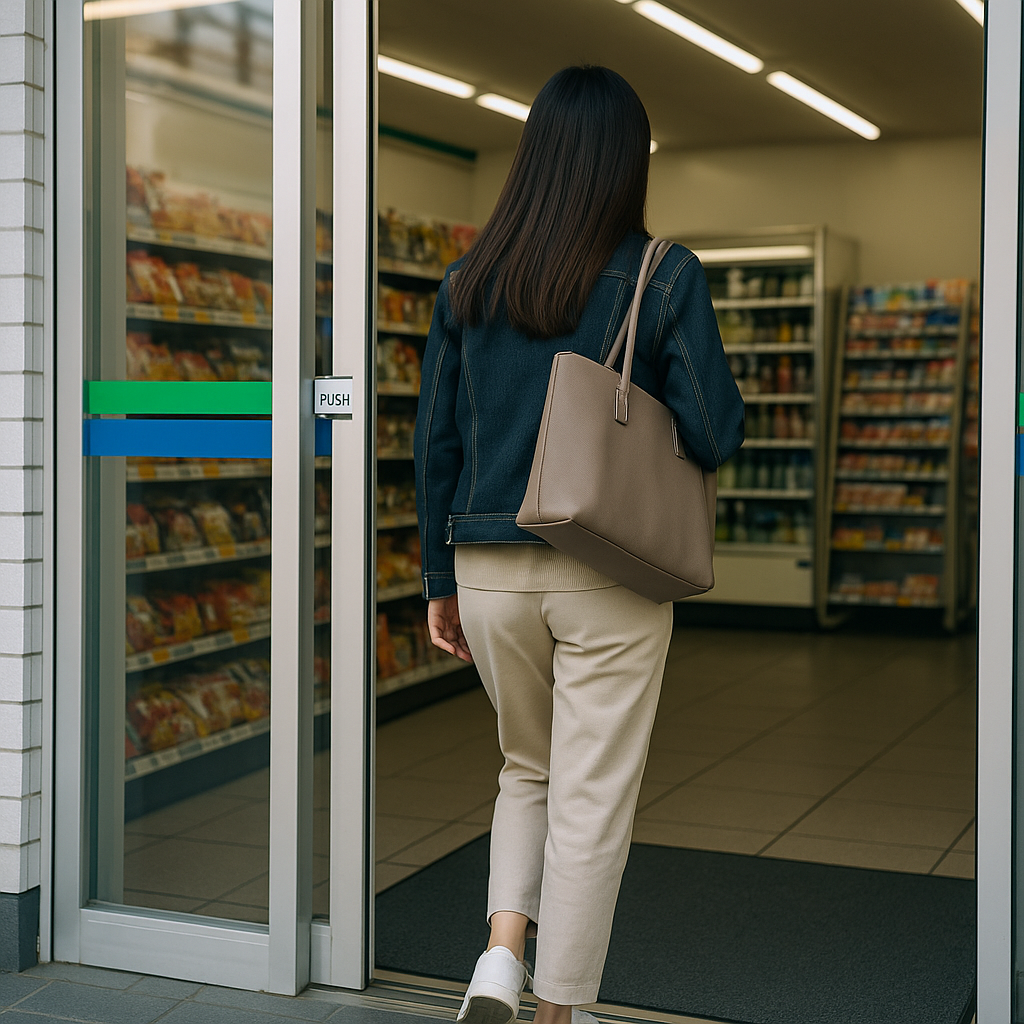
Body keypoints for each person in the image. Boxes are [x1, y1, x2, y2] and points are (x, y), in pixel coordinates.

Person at [413, 65, 744, 1024]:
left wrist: (440, 579)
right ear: (626, 165)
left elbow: (436, 442)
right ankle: (558, 1011)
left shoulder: (468, 281)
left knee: (527, 765)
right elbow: (714, 430)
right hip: (608, 570)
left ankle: (499, 957)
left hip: (485, 571)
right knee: (591, 798)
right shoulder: (662, 274)